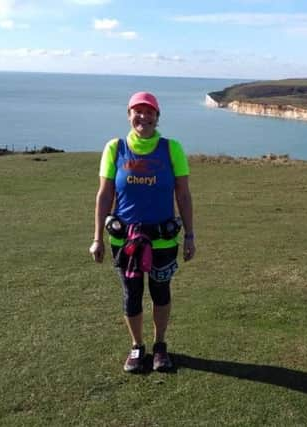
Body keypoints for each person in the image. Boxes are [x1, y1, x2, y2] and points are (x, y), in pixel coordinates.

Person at [89, 91, 195, 373]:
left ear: (157, 117)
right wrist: (97, 238)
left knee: (161, 292)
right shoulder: (115, 148)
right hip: (125, 242)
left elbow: (183, 195)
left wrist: (190, 236)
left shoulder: (172, 148)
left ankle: (160, 346)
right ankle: (137, 346)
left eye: (150, 112)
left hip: (163, 239)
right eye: (138, 111)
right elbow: (104, 194)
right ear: (129, 115)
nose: (143, 117)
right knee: (132, 294)